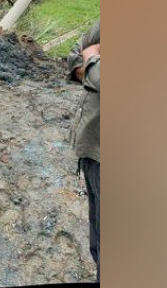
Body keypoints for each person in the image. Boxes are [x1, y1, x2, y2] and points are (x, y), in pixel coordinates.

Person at [66, 20, 100, 279]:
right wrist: (91, 59)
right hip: (93, 147)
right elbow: (75, 53)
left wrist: (91, 61)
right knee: (98, 234)